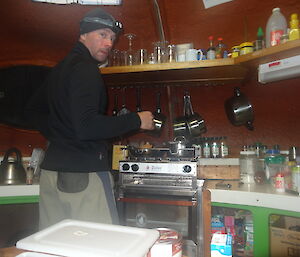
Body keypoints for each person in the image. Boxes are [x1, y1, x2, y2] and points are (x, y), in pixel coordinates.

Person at [25, 8, 154, 230]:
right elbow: (87, 127)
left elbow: (32, 112)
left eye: (112, 38)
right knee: (100, 246)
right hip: (83, 175)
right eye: (102, 35)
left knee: (57, 247)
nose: (109, 43)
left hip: (51, 174)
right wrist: (137, 120)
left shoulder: (60, 69)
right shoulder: (86, 69)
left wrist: (61, 135)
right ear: (83, 34)